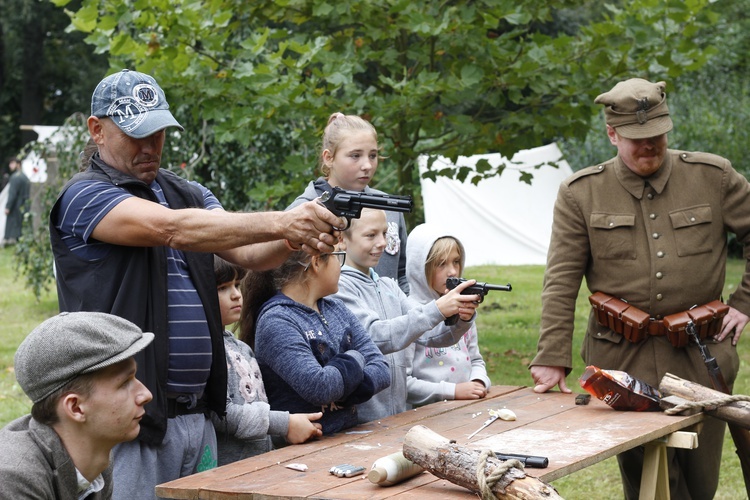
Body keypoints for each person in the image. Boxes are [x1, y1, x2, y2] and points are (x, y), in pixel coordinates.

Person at [49, 69, 344, 500]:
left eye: (159, 133)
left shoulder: (187, 192)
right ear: (97, 130)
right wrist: (284, 219)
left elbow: (250, 255)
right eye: (136, 134)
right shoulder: (84, 195)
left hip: (196, 414)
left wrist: (294, 236)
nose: (151, 146)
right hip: (124, 419)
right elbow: (172, 230)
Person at [529, 78, 749, 500]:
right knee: (647, 482)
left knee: (700, 484)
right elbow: (561, 278)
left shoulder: (713, 176)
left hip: (701, 355)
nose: (649, 145)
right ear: (612, 133)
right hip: (621, 361)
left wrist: (745, 303)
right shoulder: (581, 193)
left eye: (657, 135)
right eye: (637, 139)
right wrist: (552, 356)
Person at [334, 208, 482, 423]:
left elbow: (429, 337)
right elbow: (376, 336)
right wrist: (438, 309)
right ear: (341, 239)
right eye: (371, 235)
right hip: (358, 421)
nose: (382, 242)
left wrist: (461, 319)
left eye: (385, 233)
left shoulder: (387, 286)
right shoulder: (340, 287)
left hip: (397, 417)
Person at [0, 312, 153, 499]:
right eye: (124, 383)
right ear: (76, 408)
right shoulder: (13, 479)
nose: (146, 395)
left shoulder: (96, 462)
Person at [241, 247, 391, 435]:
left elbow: (382, 369)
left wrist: (342, 386)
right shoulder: (277, 320)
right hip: (301, 454)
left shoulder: (336, 307)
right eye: (338, 256)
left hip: (347, 438)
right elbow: (320, 387)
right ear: (317, 261)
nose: (341, 267)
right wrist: (356, 357)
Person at [211, 255, 322, 465]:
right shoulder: (208, 350)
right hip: (228, 472)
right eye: (222, 288)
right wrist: (285, 424)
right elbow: (222, 415)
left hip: (260, 464)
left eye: (236, 285)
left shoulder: (243, 348)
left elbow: (259, 408)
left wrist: (284, 433)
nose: (236, 295)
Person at [287, 112, 410, 293]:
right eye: (355, 155)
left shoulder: (389, 208)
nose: (367, 165)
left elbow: (402, 276)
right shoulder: (301, 212)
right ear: (329, 158)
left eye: (373, 155)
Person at [405, 223, 491, 406]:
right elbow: (404, 384)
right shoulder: (408, 314)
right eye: (441, 264)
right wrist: (452, 391)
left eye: (456, 261)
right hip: (425, 417)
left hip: (466, 409)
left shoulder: (463, 309)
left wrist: (478, 381)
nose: (452, 271)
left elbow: (476, 359)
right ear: (419, 266)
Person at [3, 156, 30, 246]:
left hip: (16, 205)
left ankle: (10, 242)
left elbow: (12, 194)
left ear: (18, 164)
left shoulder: (15, 177)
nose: (10, 165)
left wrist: (8, 207)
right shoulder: (24, 176)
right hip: (24, 204)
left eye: (12, 163)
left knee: (14, 225)